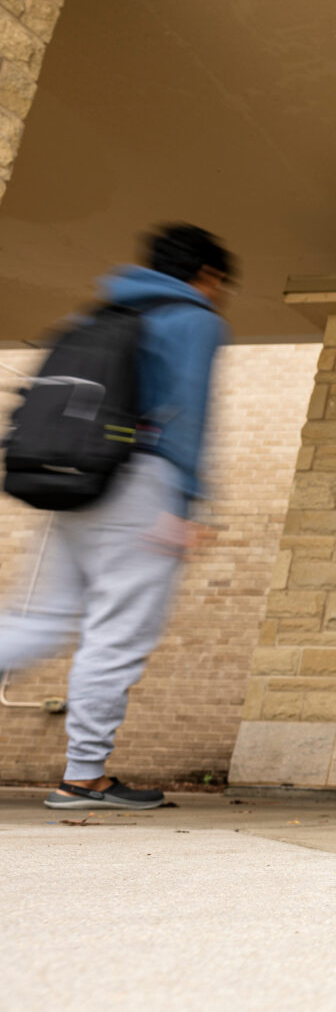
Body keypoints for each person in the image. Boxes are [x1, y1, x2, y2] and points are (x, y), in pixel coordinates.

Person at [0, 224, 234, 810]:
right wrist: (184, 501)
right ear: (207, 276)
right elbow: (187, 411)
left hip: (78, 481)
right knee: (118, 635)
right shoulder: (195, 318)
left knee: (43, 622)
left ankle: (87, 774)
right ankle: (84, 777)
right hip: (142, 485)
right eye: (221, 283)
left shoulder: (105, 311)